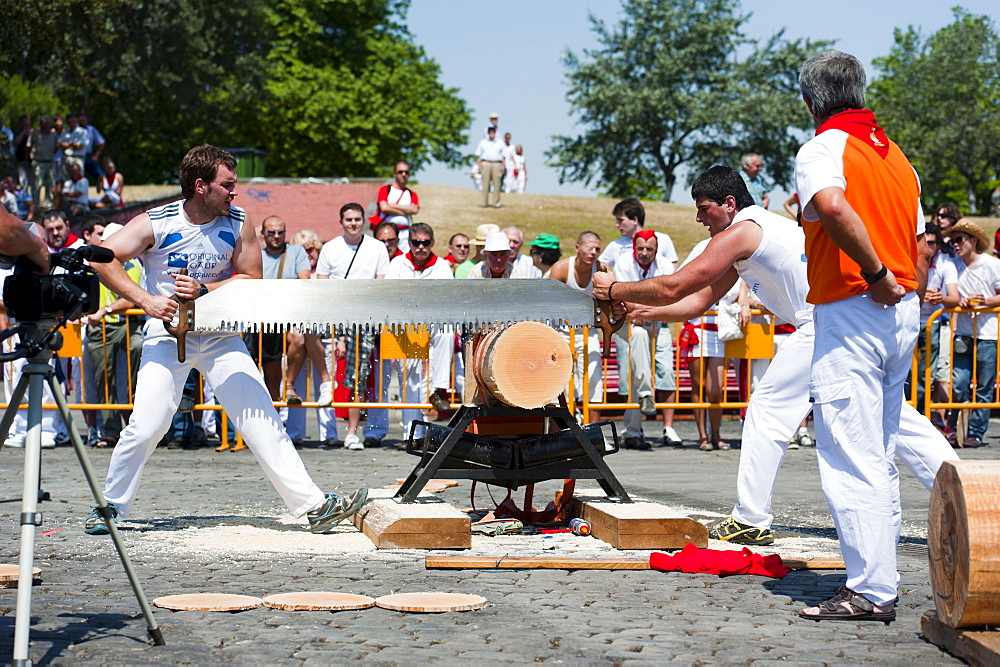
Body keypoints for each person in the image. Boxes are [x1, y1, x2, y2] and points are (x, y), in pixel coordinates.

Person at [594, 166, 956, 561]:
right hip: (844, 320)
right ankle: (967, 487)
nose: (699, 218)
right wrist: (638, 310)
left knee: (766, 411)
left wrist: (614, 289)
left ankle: (750, 518)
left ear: (729, 204)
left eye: (704, 208)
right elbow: (695, 302)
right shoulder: (749, 234)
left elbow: (675, 284)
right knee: (892, 415)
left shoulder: (744, 231)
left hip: (823, 322)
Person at [84, 144, 367, 536]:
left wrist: (205, 289)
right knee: (148, 424)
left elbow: (252, 277)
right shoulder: (157, 221)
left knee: (262, 420)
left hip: (221, 338)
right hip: (168, 336)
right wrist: (146, 300)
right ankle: (110, 507)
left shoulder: (238, 222)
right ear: (201, 186)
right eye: (227, 185)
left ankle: (314, 507)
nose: (235, 193)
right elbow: (100, 257)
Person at [793, 51, 923, 622]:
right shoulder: (898, 158)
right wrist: (897, 281)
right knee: (880, 451)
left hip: (857, 303)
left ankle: (871, 588)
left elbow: (829, 204)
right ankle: (880, 579)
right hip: (902, 309)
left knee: (852, 452)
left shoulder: (822, 148)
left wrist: (874, 274)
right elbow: (918, 242)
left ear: (809, 101)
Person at [368, 222, 456, 443]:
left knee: (446, 332)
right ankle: (412, 433)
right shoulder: (398, 263)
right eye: (416, 242)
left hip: (433, 321)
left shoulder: (442, 266)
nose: (420, 247)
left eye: (425, 242)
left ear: (432, 243)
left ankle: (439, 389)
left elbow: (448, 299)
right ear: (409, 243)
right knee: (409, 379)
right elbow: (390, 297)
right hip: (404, 324)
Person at [315, 202, 390, 451]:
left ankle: (351, 432)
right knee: (326, 378)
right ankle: (327, 433)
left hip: (364, 319)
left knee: (356, 377)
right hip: (333, 319)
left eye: (357, 219)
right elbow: (322, 289)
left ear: (363, 221)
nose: (353, 224)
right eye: (349, 220)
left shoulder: (377, 248)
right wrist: (337, 332)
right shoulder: (330, 248)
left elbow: (380, 287)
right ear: (341, 222)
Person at [612, 229, 677, 449]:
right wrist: (640, 310)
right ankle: (634, 425)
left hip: (659, 322)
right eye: (640, 248)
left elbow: (670, 296)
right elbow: (620, 294)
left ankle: (660, 425)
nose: (645, 253)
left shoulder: (666, 266)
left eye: (649, 249)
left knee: (666, 370)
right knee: (634, 372)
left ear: (656, 250)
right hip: (631, 324)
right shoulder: (623, 262)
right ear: (634, 248)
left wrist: (643, 309)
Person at [81, 219, 144, 447]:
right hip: (101, 328)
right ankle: (110, 430)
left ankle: (137, 423)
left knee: (137, 357)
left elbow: (130, 299)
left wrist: (104, 310)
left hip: (125, 325)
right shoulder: (94, 264)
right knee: (103, 381)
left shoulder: (133, 265)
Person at [945, 220, 1000, 448]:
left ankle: (975, 433)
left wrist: (988, 302)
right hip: (965, 331)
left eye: (959, 239)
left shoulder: (991, 264)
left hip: (987, 332)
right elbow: (950, 294)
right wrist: (961, 301)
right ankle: (959, 427)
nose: (955, 245)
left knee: (985, 385)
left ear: (973, 240)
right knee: (959, 381)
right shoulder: (952, 265)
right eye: (953, 240)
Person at [250, 215, 311, 402]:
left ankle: (290, 386)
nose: (276, 236)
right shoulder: (256, 256)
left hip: (287, 317)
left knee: (298, 338)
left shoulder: (296, 252)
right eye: (271, 232)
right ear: (263, 235)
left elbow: (305, 282)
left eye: (280, 232)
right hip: (261, 322)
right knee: (259, 378)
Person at [548, 231, 607, 423]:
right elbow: (546, 301)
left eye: (597, 249)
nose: (593, 252)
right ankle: (563, 431)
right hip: (560, 332)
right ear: (577, 248)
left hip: (587, 331)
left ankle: (594, 431)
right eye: (589, 248)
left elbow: (610, 299)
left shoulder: (602, 269)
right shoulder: (561, 268)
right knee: (560, 383)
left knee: (594, 380)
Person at [372, 161, 419, 252]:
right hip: (386, 234)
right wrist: (406, 211)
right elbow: (384, 208)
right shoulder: (385, 189)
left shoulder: (411, 194)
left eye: (406, 172)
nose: (404, 174)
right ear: (394, 173)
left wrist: (394, 206)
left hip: (404, 234)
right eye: (400, 172)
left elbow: (415, 209)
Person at [467, 231, 538, 279]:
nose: (499, 259)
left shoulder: (518, 274)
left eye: (503, 254)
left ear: (509, 255)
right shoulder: (477, 272)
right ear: (486, 255)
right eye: (494, 254)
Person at [28, 115, 58, 210]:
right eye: (43, 123)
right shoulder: (35, 134)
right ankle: (35, 205)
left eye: (47, 123)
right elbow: (28, 146)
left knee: (50, 185)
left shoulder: (54, 135)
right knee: (37, 185)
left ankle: (48, 205)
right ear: (40, 124)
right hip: (38, 162)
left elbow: (56, 147)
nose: (45, 125)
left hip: (50, 162)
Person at [475, 126, 505, 208]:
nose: (491, 134)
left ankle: (496, 202)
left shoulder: (500, 143)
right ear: (488, 133)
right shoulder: (483, 142)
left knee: (497, 184)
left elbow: (504, 156)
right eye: (490, 132)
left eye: (493, 132)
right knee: (485, 183)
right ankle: (484, 202)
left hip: (497, 163)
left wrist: (503, 167)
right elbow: (478, 155)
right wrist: (479, 166)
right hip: (486, 162)